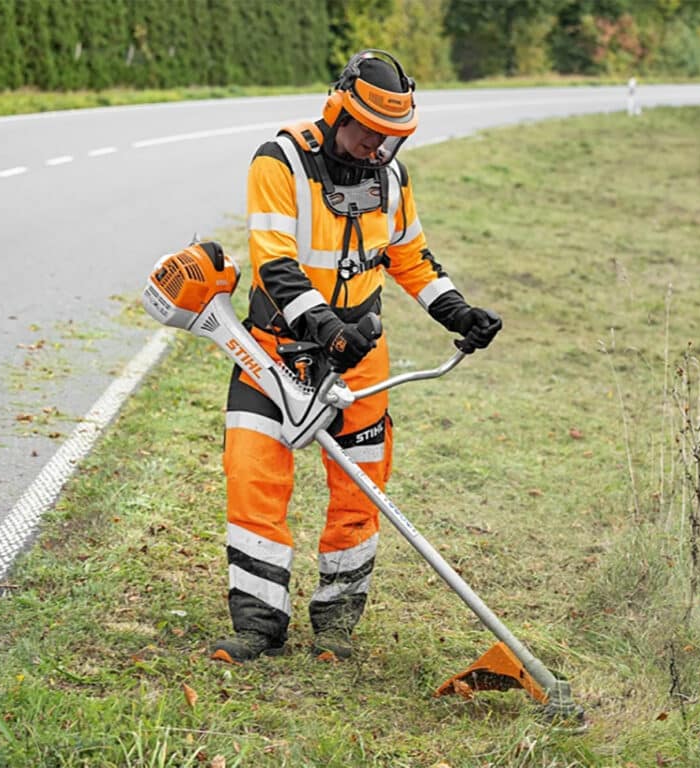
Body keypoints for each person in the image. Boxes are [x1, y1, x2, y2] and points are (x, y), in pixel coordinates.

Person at [211, 49, 502, 663]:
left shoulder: (390, 179)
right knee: (254, 478)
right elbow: (275, 262)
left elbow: (412, 259)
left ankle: (337, 624)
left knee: (360, 491)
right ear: (338, 108)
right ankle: (259, 626)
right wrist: (326, 328)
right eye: (370, 132)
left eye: (391, 137)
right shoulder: (280, 161)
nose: (378, 147)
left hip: (359, 365)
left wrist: (459, 311)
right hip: (274, 354)